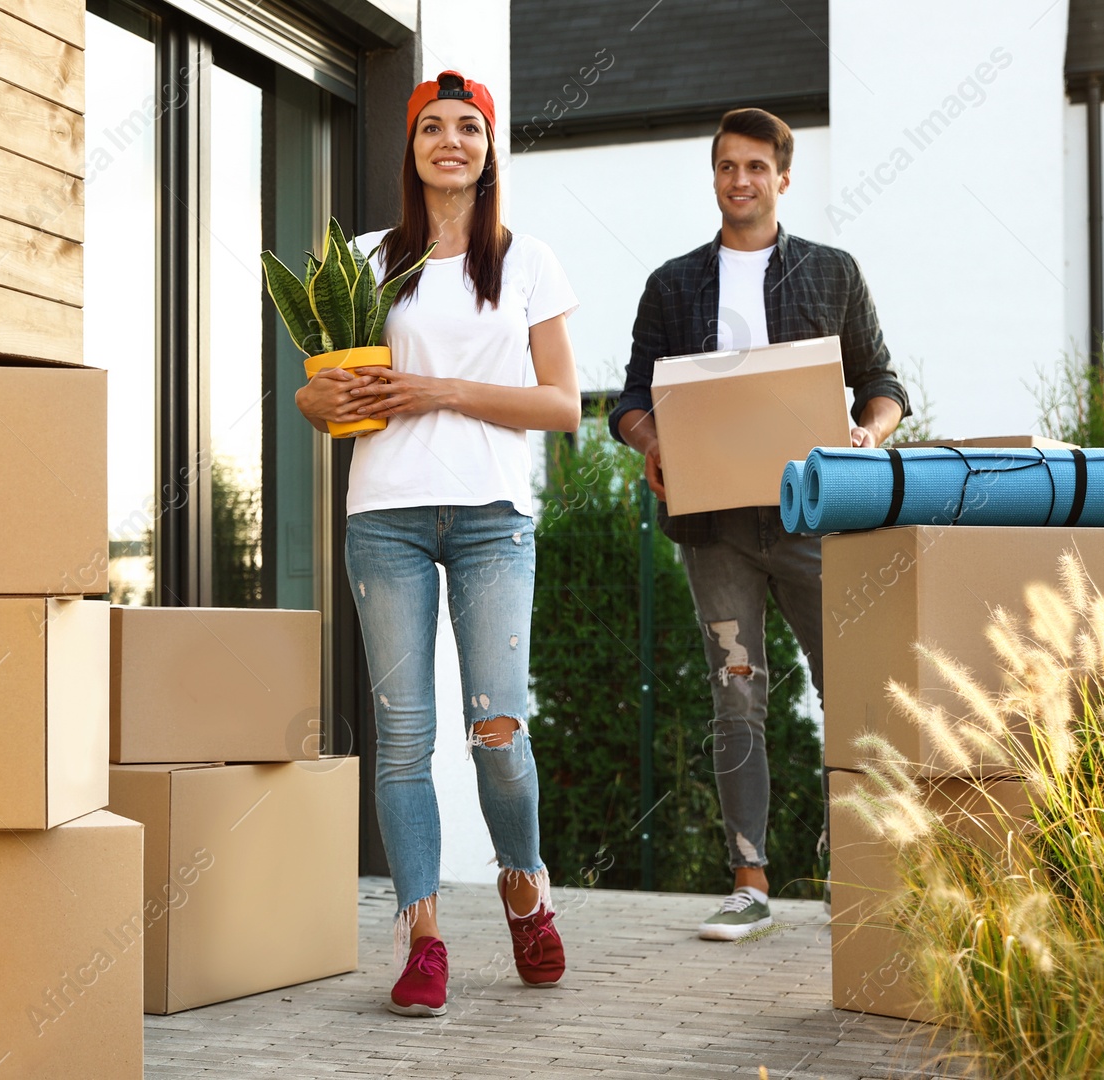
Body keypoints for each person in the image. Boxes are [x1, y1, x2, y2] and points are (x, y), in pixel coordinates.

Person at [295, 70, 580, 1017]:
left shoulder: (526, 259)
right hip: (386, 518)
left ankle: (525, 886)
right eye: (431, 128)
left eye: (468, 127)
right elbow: (317, 388)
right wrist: (318, 398)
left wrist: (441, 392)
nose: (449, 141)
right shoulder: (370, 259)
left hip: (493, 517)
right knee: (406, 739)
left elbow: (562, 404)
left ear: (489, 147)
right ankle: (421, 936)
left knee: (497, 731)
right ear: (410, 148)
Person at [609, 108, 908, 941]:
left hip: (815, 519)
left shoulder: (832, 272)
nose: (739, 180)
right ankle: (750, 881)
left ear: (783, 177)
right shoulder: (673, 285)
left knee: (847, 689)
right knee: (735, 695)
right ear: (714, 177)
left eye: (754, 167)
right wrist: (651, 436)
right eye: (725, 167)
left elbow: (882, 383)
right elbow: (630, 398)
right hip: (716, 529)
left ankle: (861, 867)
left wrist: (866, 433)